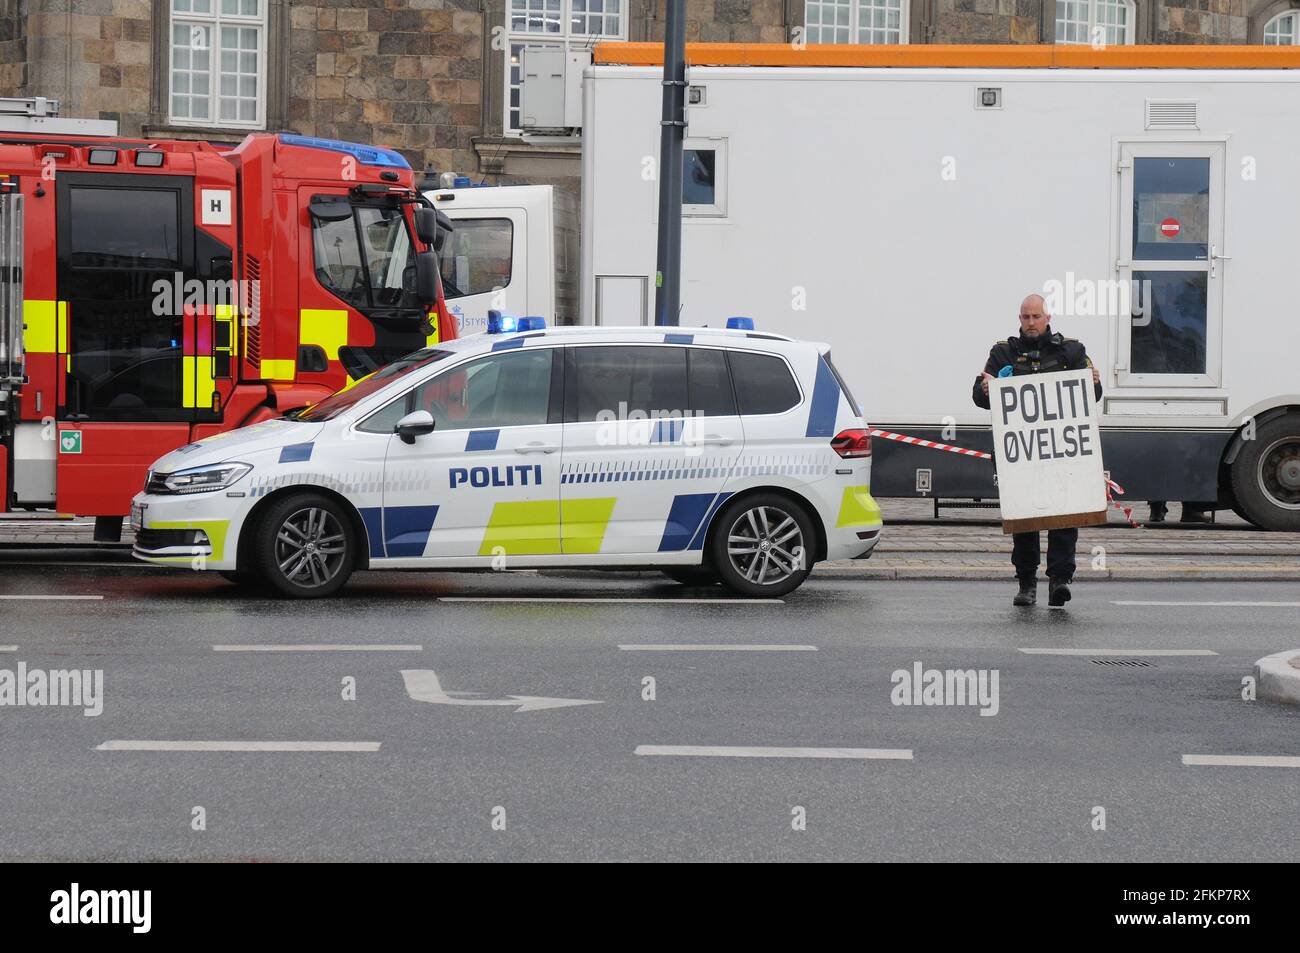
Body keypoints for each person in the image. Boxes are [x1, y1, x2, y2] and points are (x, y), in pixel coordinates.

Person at [972, 294, 1103, 607]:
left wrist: (1094, 383)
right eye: (1025, 318)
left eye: (1036, 317)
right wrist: (986, 388)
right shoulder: (1003, 352)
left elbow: (1091, 395)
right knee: (1024, 518)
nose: (1030, 323)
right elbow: (979, 395)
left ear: (1048, 317)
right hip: (1019, 454)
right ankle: (1027, 583)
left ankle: (1059, 580)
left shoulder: (1071, 350)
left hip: (1062, 453)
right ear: (1019, 319)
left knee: (1064, 516)